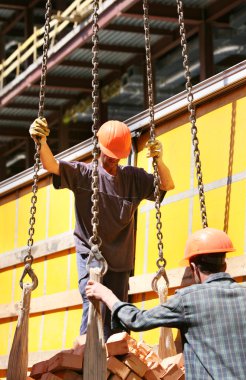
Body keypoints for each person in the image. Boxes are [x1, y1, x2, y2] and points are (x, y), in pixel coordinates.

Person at [29, 117, 175, 340]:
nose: (113, 161)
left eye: (118, 157)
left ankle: (116, 365)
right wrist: (41, 141)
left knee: (118, 317)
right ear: (99, 149)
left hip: (120, 262)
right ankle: (87, 360)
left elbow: (166, 185)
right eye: (109, 155)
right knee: (93, 303)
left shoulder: (132, 178)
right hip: (91, 257)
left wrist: (160, 160)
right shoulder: (85, 174)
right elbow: (52, 166)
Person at [86, 227, 246, 379]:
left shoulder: (188, 299)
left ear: (193, 267)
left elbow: (137, 320)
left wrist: (107, 295)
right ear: (225, 265)